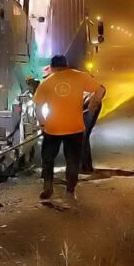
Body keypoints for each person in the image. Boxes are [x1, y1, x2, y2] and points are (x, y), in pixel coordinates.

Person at [33, 55, 105, 202]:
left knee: (47, 160)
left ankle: (48, 188)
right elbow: (101, 89)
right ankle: (70, 192)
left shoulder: (46, 82)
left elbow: (38, 107)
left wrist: (42, 123)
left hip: (52, 129)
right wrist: (94, 101)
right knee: (72, 162)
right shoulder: (80, 77)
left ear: (52, 68)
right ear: (67, 65)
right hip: (75, 128)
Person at [81, 93, 103, 174]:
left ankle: (84, 166)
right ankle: (85, 166)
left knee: (82, 135)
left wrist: (94, 101)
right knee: (83, 136)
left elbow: (101, 89)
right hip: (88, 101)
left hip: (90, 102)